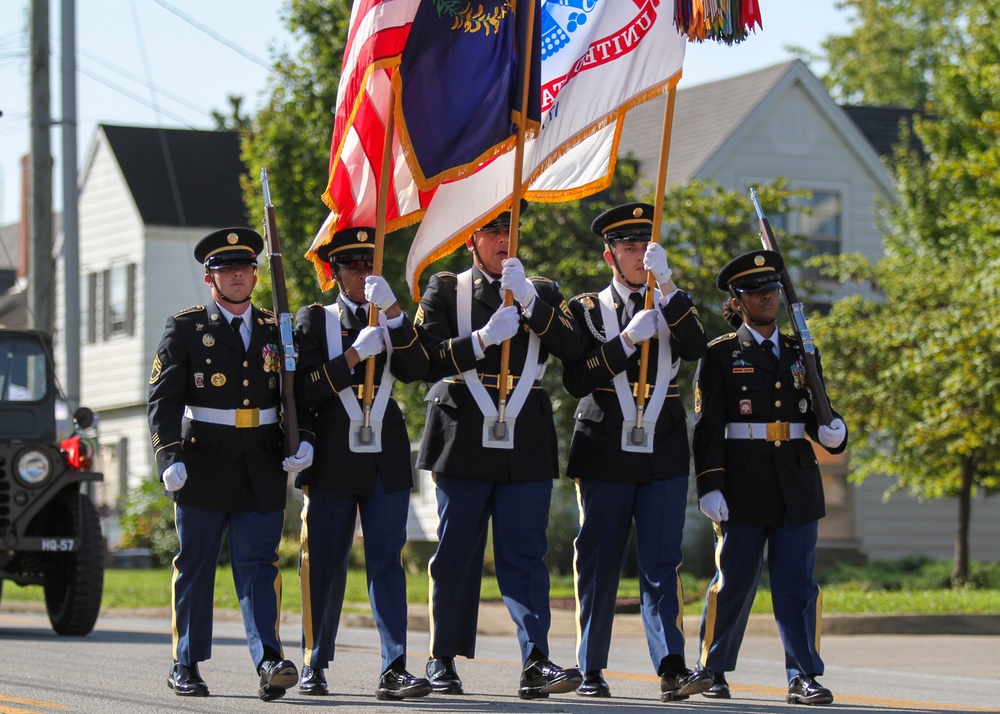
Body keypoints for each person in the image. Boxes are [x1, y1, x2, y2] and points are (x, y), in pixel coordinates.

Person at [413, 203, 585, 699]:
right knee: (457, 551)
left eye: (511, 231)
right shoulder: (447, 289)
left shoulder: (545, 291)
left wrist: (532, 304)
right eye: (493, 231)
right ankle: (442, 656)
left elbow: (574, 352)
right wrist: (483, 339)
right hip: (464, 429)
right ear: (473, 241)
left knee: (526, 553)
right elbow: (425, 359)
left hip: (523, 435)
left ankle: (536, 659)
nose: (504, 239)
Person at [148, 227, 313, 701]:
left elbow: (297, 396)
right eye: (226, 269)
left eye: (244, 268)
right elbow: (162, 401)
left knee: (260, 565)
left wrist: (305, 442)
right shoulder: (185, 328)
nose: (237, 276)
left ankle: (269, 661)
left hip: (260, 459)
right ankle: (186, 662)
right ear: (209, 279)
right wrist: (168, 455)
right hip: (202, 458)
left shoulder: (274, 328)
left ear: (256, 275)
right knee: (195, 564)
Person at [562, 203, 710, 701]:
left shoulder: (673, 300)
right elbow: (577, 378)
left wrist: (667, 286)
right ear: (610, 255)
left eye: (645, 246)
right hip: (604, 443)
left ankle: (671, 666)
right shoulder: (587, 309)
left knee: (661, 561)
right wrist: (626, 339)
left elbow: (697, 346)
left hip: (662, 446)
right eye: (627, 247)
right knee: (599, 559)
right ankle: (590, 667)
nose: (638, 255)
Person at [693, 249, 848, 706]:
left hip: (796, 482)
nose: (767, 297)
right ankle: (713, 667)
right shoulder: (721, 353)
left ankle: (804, 674)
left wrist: (835, 433)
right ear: (737, 302)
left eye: (772, 289)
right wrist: (709, 485)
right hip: (742, 482)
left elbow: (820, 411)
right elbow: (707, 426)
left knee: (797, 586)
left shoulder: (802, 350)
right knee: (735, 580)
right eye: (755, 292)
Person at [292, 226, 432, 701]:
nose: (364, 272)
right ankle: (314, 659)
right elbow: (305, 390)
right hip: (333, 455)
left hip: (384, 456)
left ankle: (395, 666)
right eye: (353, 265)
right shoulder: (315, 321)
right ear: (335, 273)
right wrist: (353, 355)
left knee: (387, 563)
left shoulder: (390, 318)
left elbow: (416, 371)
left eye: (369, 264)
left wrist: (394, 314)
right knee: (325, 563)